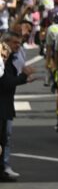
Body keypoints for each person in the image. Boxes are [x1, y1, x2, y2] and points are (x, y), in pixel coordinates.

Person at [1, 32, 36, 181]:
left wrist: (24, 79)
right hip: (3, 106)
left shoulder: (9, 59)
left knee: (5, 138)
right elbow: (5, 83)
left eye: (19, 43)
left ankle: (4, 167)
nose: (18, 46)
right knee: (4, 138)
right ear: (5, 43)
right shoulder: (3, 61)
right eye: (15, 43)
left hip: (6, 105)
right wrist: (23, 76)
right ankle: (4, 168)